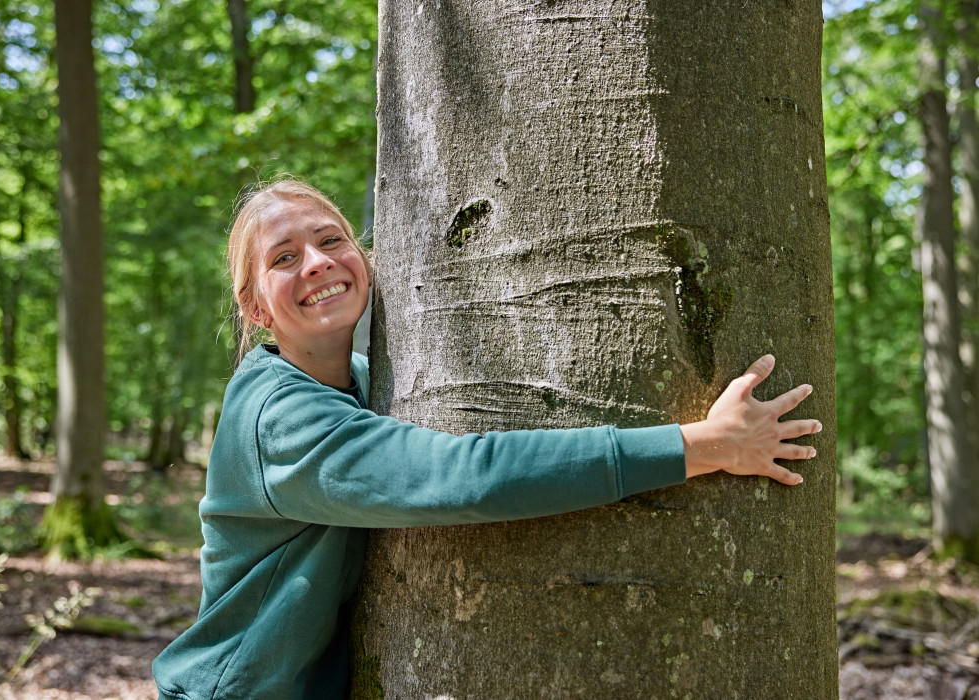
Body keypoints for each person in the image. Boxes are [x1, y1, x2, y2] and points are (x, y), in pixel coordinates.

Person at [152, 179, 822, 700]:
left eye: (331, 242)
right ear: (256, 307)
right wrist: (704, 446)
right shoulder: (279, 418)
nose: (317, 265)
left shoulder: (357, 381)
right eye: (284, 258)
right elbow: (465, 477)